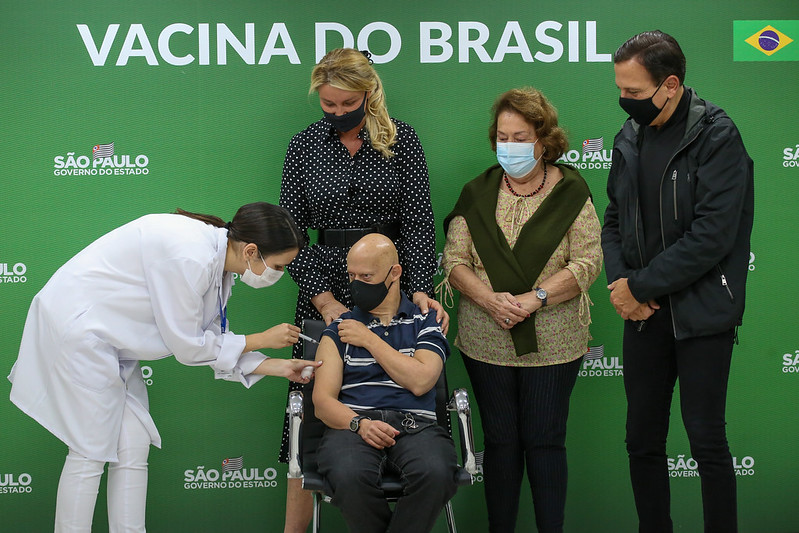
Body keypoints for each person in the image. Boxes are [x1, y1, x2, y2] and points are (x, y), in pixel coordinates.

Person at [8, 202, 322, 533]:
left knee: (133, 441)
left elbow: (211, 341)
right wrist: (261, 339)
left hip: (109, 339)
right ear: (251, 251)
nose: (278, 274)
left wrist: (278, 366)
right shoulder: (192, 256)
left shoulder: (217, 263)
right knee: (90, 450)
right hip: (80, 333)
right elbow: (189, 346)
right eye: (279, 266)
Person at [277, 47, 447, 531]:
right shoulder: (303, 146)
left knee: (404, 396)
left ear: (369, 94)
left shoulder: (403, 140)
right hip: (323, 285)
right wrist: (323, 298)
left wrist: (418, 288)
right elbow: (291, 235)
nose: (336, 112)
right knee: (307, 419)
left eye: (346, 103)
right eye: (327, 104)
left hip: (391, 283)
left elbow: (418, 224)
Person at [602, 30, 754, 532]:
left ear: (670, 85)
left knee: (706, 440)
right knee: (641, 441)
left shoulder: (717, 136)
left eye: (634, 91)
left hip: (701, 311)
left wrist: (640, 287)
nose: (625, 100)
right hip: (643, 314)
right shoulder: (629, 136)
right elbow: (613, 221)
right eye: (620, 90)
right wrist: (623, 287)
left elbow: (712, 236)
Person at [441, 87, 603, 533]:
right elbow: (454, 260)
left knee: (546, 441)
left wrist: (536, 298)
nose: (509, 146)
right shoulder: (477, 192)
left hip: (554, 342)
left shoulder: (571, 191)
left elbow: (588, 260)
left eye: (520, 137)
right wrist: (489, 299)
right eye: (502, 137)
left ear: (544, 140)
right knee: (500, 442)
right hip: (485, 339)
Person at [312, 233, 458, 533]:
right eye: (351, 276)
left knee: (436, 472)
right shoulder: (339, 329)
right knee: (348, 475)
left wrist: (369, 339)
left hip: (417, 426)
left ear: (395, 273)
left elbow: (421, 381)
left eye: (366, 276)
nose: (356, 285)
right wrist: (359, 424)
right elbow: (323, 402)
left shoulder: (426, 321)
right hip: (353, 427)